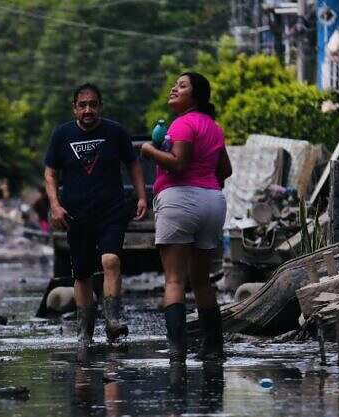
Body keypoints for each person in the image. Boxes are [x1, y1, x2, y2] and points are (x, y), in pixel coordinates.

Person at [44, 83, 148, 348]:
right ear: (74, 108)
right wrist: (55, 205)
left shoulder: (115, 132)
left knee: (111, 260)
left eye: (93, 104)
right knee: (81, 274)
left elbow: (134, 164)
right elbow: (51, 173)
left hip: (112, 209)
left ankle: (113, 321)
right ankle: (84, 332)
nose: (88, 110)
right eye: (82, 105)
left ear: (100, 106)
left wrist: (142, 196)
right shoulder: (61, 135)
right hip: (76, 213)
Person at [140, 72, 233, 362]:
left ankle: (177, 351)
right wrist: (204, 180)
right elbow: (225, 171)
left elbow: (178, 165)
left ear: (196, 96)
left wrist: (149, 150)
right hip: (212, 202)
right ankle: (213, 347)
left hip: (179, 200)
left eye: (181, 86)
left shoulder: (181, 124)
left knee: (174, 281)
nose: (174, 88)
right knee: (202, 281)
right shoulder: (214, 128)